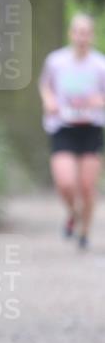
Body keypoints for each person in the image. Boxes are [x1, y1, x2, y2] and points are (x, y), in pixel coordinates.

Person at [39, 13, 105, 250]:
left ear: (92, 36)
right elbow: (45, 85)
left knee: (87, 186)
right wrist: (49, 101)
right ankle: (73, 214)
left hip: (90, 128)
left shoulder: (100, 64)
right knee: (65, 183)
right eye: (78, 32)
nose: (81, 37)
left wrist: (99, 101)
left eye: (86, 33)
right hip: (63, 127)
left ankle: (85, 232)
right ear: (71, 34)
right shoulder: (56, 61)